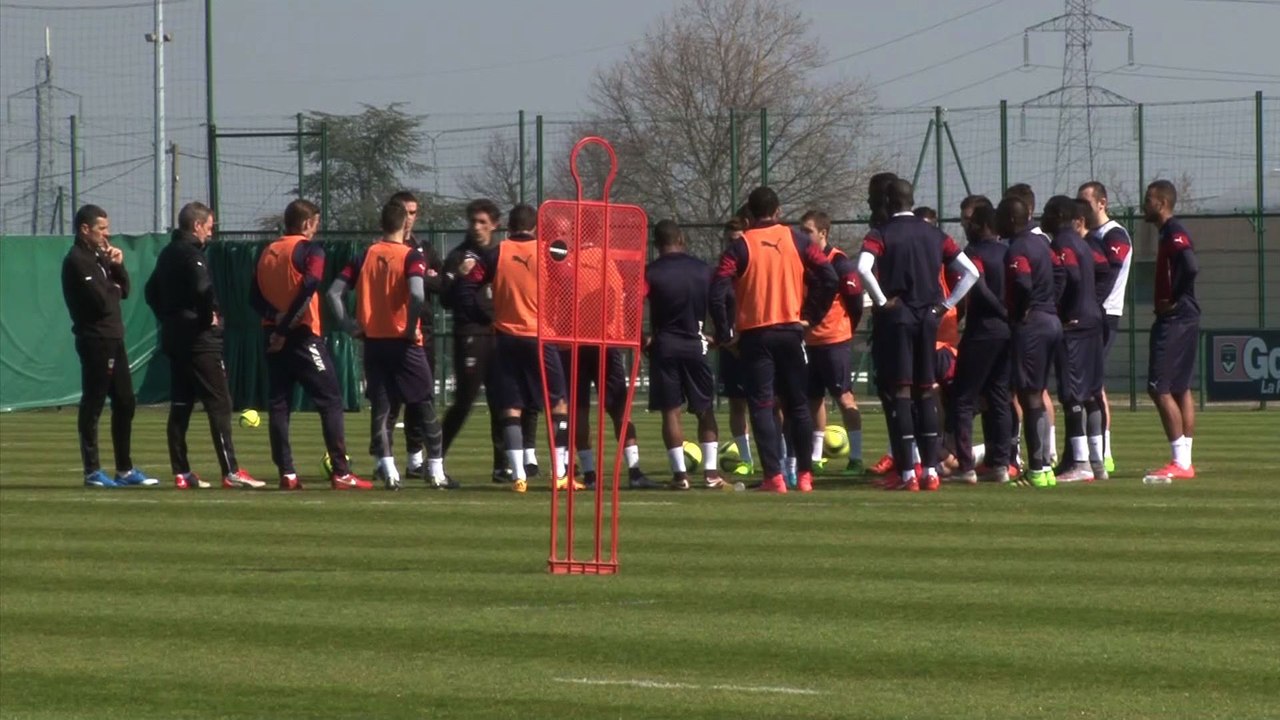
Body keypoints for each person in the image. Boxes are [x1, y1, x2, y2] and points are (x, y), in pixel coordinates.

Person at [710, 186, 838, 493]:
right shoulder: (798, 241)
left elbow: (717, 289)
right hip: (791, 332)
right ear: (778, 211)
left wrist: (725, 333)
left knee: (762, 405)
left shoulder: (740, 247)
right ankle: (805, 476)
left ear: (749, 216)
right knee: (798, 405)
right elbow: (829, 276)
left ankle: (774, 477)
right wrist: (812, 315)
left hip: (756, 336)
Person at [856, 178, 979, 492]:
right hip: (928, 319)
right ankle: (931, 472)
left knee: (901, 392)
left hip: (898, 318)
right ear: (911, 200)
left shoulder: (880, 233)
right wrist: (945, 304)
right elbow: (972, 272)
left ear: (889, 201)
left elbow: (863, 268)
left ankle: (909, 473)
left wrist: (881, 300)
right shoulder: (934, 234)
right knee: (925, 391)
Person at [327, 201, 448, 490]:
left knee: (381, 407)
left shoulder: (364, 255)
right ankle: (436, 470)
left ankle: (389, 470)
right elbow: (417, 294)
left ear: (381, 224)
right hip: (405, 343)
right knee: (424, 402)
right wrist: (409, 326)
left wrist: (349, 326)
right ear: (404, 224)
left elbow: (333, 293)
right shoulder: (411, 256)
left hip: (374, 342)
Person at [251, 199, 369, 490]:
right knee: (330, 400)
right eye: (315, 223)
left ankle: (287, 473)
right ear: (306, 223)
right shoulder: (310, 250)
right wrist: (285, 326)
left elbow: (252, 297)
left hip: (272, 336)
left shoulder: (268, 251)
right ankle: (341, 472)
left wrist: (275, 319)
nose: (316, 229)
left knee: (280, 403)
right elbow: (309, 286)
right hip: (302, 336)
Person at [455, 204, 573, 493]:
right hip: (540, 335)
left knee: (511, 405)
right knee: (558, 402)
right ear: (535, 228)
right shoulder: (548, 252)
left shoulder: (496, 253)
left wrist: (484, 315)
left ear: (509, 227)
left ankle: (519, 476)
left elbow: (467, 286)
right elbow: (567, 285)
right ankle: (560, 472)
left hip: (506, 337)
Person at [145, 201, 260, 489]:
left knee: (181, 403)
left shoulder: (167, 253)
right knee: (219, 402)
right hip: (200, 341)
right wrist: (207, 315)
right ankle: (231, 471)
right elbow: (202, 288)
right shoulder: (192, 254)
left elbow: (150, 291)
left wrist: (170, 318)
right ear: (196, 226)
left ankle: (181, 472)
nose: (210, 233)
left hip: (175, 338)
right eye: (209, 227)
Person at [440, 200, 538, 483]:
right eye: (473, 221)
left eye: (483, 222)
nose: (476, 227)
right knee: (464, 400)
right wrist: (459, 277)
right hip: (471, 334)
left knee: (502, 400)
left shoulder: (500, 254)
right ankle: (434, 458)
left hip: (499, 335)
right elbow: (445, 298)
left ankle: (502, 465)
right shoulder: (459, 256)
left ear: (495, 225)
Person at [60, 204, 155, 488]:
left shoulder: (100, 257)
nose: (106, 234)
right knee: (94, 402)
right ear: (84, 229)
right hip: (95, 339)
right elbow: (101, 302)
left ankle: (124, 469)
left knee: (125, 401)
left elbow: (123, 291)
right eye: (101, 228)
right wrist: (111, 286)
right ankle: (92, 471)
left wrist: (117, 265)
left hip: (114, 337)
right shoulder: (77, 260)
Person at [644, 220, 722, 490]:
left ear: (656, 244)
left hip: (665, 345)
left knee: (671, 412)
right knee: (704, 409)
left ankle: (680, 476)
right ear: (682, 239)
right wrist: (720, 334)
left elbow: (631, 303)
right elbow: (719, 300)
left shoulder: (651, 272)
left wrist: (641, 338)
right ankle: (711, 474)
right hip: (695, 343)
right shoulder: (703, 269)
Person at [997, 195, 1062, 488]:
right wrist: (1050, 303)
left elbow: (1022, 282)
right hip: (1051, 320)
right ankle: (1044, 467)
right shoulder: (1042, 243)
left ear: (1012, 219)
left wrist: (1021, 311)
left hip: (1032, 324)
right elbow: (1061, 274)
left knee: (1029, 395)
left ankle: (1036, 468)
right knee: (1037, 391)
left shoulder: (1019, 247)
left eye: (1000, 216)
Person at [948, 195, 1013, 483]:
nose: (966, 227)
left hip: (983, 330)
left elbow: (978, 285)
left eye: (971, 222)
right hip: (1006, 331)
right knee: (998, 396)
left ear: (982, 224)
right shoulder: (1007, 251)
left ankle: (966, 466)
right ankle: (1000, 463)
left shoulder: (973, 252)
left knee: (963, 398)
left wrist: (999, 310)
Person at [798, 210, 865, 476]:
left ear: (823, 233)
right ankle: (815, 456)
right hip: (809, 341)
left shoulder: (839, 262)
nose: (803, 236)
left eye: (808, 231)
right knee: (813, 399)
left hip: (834, 341)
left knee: (844, 398)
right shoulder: (802, 261)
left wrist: (845, 328)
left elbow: (855, 303)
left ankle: (856, 458)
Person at [1141, 180, 1200, 481]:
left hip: (1176, 318)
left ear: (1162, 203)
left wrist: (1173, 298)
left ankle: (1180, 462)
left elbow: (1190, 266)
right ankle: (1185, 460)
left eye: (1148, 199)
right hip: (1186, 317)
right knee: (1179, 387)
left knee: (1159, 388)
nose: (1144, 204)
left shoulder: (1174, 232)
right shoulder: (1168, 232)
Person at [1044, 195, 1106, 483]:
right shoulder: (1084, 242)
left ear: (1059, 216)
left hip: (1075, 327)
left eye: (1047, 212)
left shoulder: (1062, 243)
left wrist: (1061, 307)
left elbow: (1069, 275)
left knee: (1072, 395)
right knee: (1091, 393)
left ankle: (1080, 463)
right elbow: (1103, 269)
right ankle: (1097, 461)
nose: (1042, 218)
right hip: (1093, 321)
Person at [1078, 181, 1130, 474]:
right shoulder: (1089, 235)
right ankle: (1093, 449)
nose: (1082, 208)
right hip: (1092, 314)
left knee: (1094, 383)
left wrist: (1092, 304)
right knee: (1089, 382)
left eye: (1086, 202)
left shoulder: (1114, 234)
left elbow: (1111, 273)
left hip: (1105, 314)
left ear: (1102, 203)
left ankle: (1104, 452)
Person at [715, 217, 755, 478]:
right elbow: (715, 307)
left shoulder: (755, 269)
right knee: (737, 404)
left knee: (772, 403)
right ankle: (746, 459)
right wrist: (725, 339)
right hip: (731, 348)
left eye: (738, 240)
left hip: (756, 344)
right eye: (730, 240)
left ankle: (782, 459)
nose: (733, 245)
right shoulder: (721, 273)